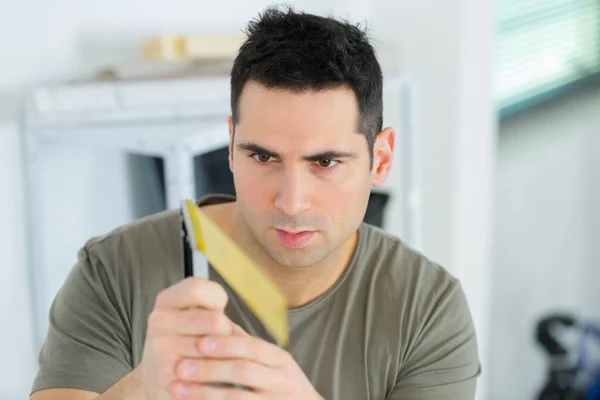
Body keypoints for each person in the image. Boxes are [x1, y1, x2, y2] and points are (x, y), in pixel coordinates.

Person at [30, 6, 481, 400]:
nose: (291, 201)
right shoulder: (116, 271)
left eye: (325, 162)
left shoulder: (427, 310)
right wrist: (142, 389)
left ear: (379, 160)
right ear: (230, 145)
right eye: (262, 156)